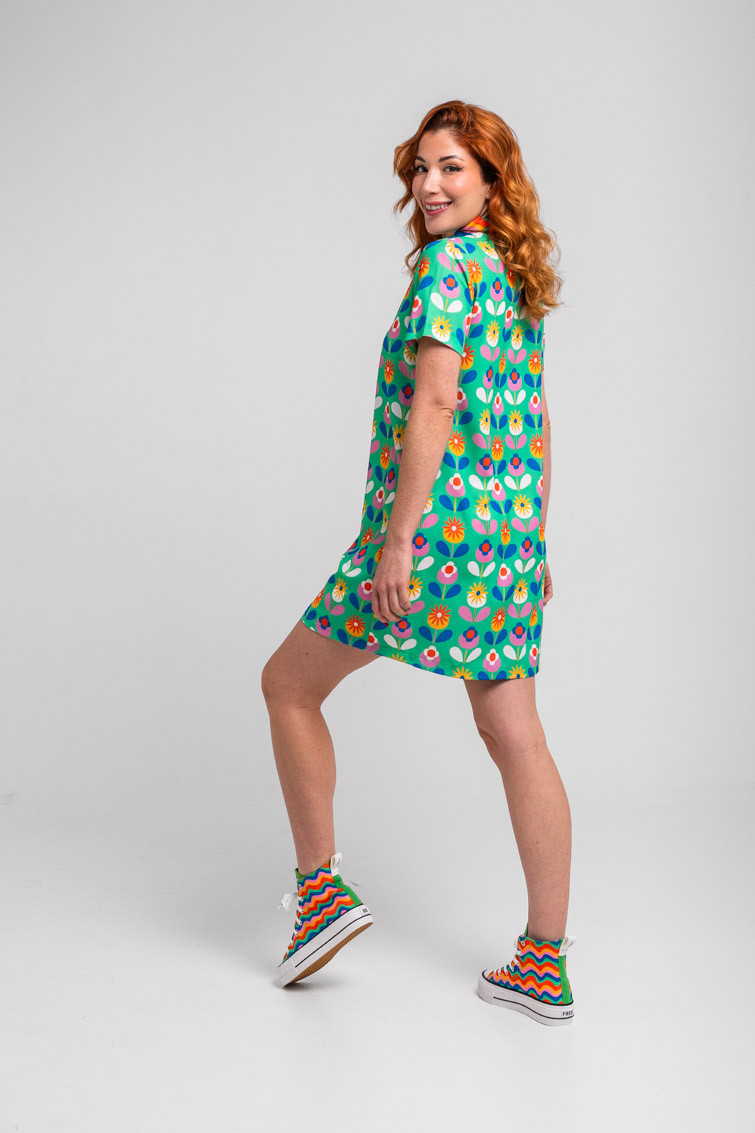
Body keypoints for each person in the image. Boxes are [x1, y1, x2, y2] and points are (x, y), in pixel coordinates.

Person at [261, 100, 575, 1026]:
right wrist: (534, 538)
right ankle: (543, 961)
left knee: (287, 684)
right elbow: (534, 413)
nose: (429, 185)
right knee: (515, 734)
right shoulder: (510, 272)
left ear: (491, 182)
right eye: (421, 168)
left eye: (451, 168)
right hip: (502, 547)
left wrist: (395, 541)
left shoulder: (446, 269)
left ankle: (320, 895)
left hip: (432, 540)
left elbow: (435, 405)